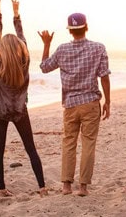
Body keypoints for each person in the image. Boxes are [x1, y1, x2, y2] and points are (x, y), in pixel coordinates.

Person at [38, 12, 111, 196]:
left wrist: (46, 44)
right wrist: (108, 101)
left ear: (70, 30)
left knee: (69, 143)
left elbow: (44, 67)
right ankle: (84, 187)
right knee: (88, 144)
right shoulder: (98, 48)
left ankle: (66, 186)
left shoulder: (62, 50)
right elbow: (104, 76)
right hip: (90, 102)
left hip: (70, 104)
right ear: (86, 27)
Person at [0, 0, 47, 197]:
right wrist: (16, 14)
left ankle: (1, 188)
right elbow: (21, 38)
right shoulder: (25, 61)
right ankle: (42, 187)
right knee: (31, 148)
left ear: (1, 51)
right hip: (20, 111)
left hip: (1, 112)